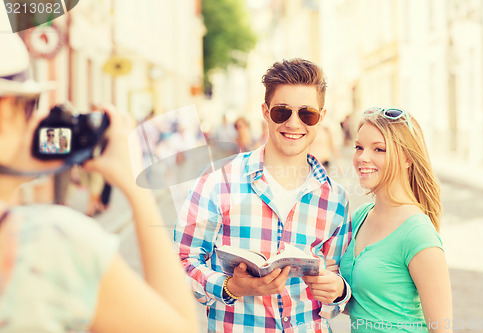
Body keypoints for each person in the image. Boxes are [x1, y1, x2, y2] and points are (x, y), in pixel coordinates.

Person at [0, 33, 198, 333]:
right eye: (29, 106)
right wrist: (136, 187)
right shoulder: (51, 243)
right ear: (4, 110)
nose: (35, 120)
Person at [174, 58, 351, 332]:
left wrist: (338, 291)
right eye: (283, 112)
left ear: (321, 117)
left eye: (307, 114)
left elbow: (339, 282)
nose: (294, 123)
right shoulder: (216, 182)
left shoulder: (336, 199)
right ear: (265, 112)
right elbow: (181, 262)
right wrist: (230, 287)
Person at [339, 107, 452, 332]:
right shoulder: (361, 216)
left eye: (379, 149)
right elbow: (367, 305)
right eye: (359, 147)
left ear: (407, 158)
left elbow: (442, 328)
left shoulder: (417, 233)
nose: (363, 157)